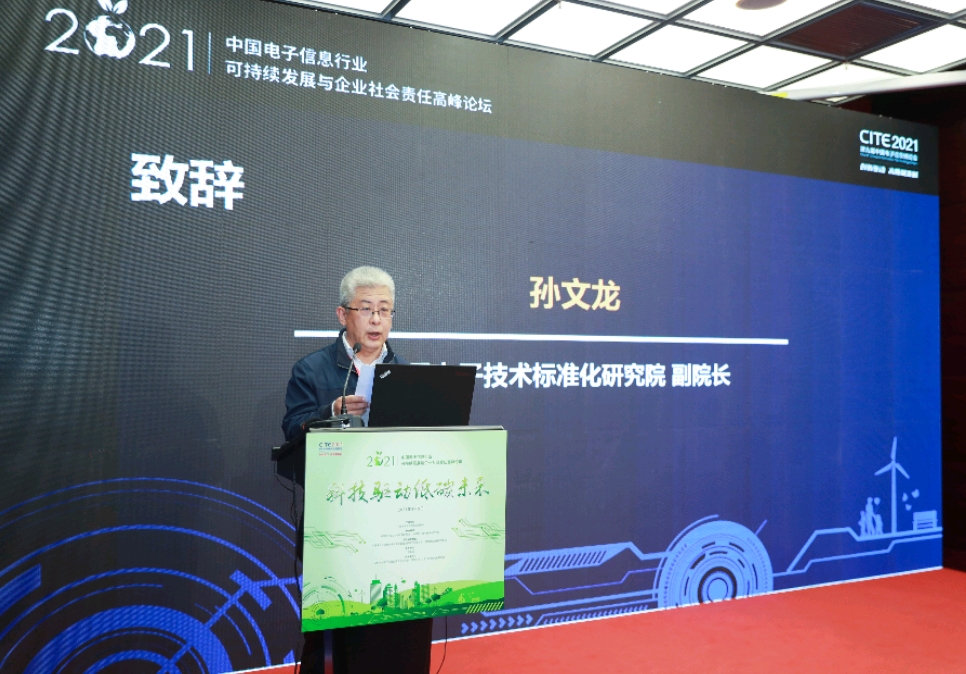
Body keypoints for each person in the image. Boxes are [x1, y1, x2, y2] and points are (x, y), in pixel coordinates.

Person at [282, 265, 408, 440]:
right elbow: (293, 428)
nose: (376, 320)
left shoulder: (405, 371)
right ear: (343, 315)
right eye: (366, 309)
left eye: (384, 310)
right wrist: (331, 412)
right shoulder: (310, 370)